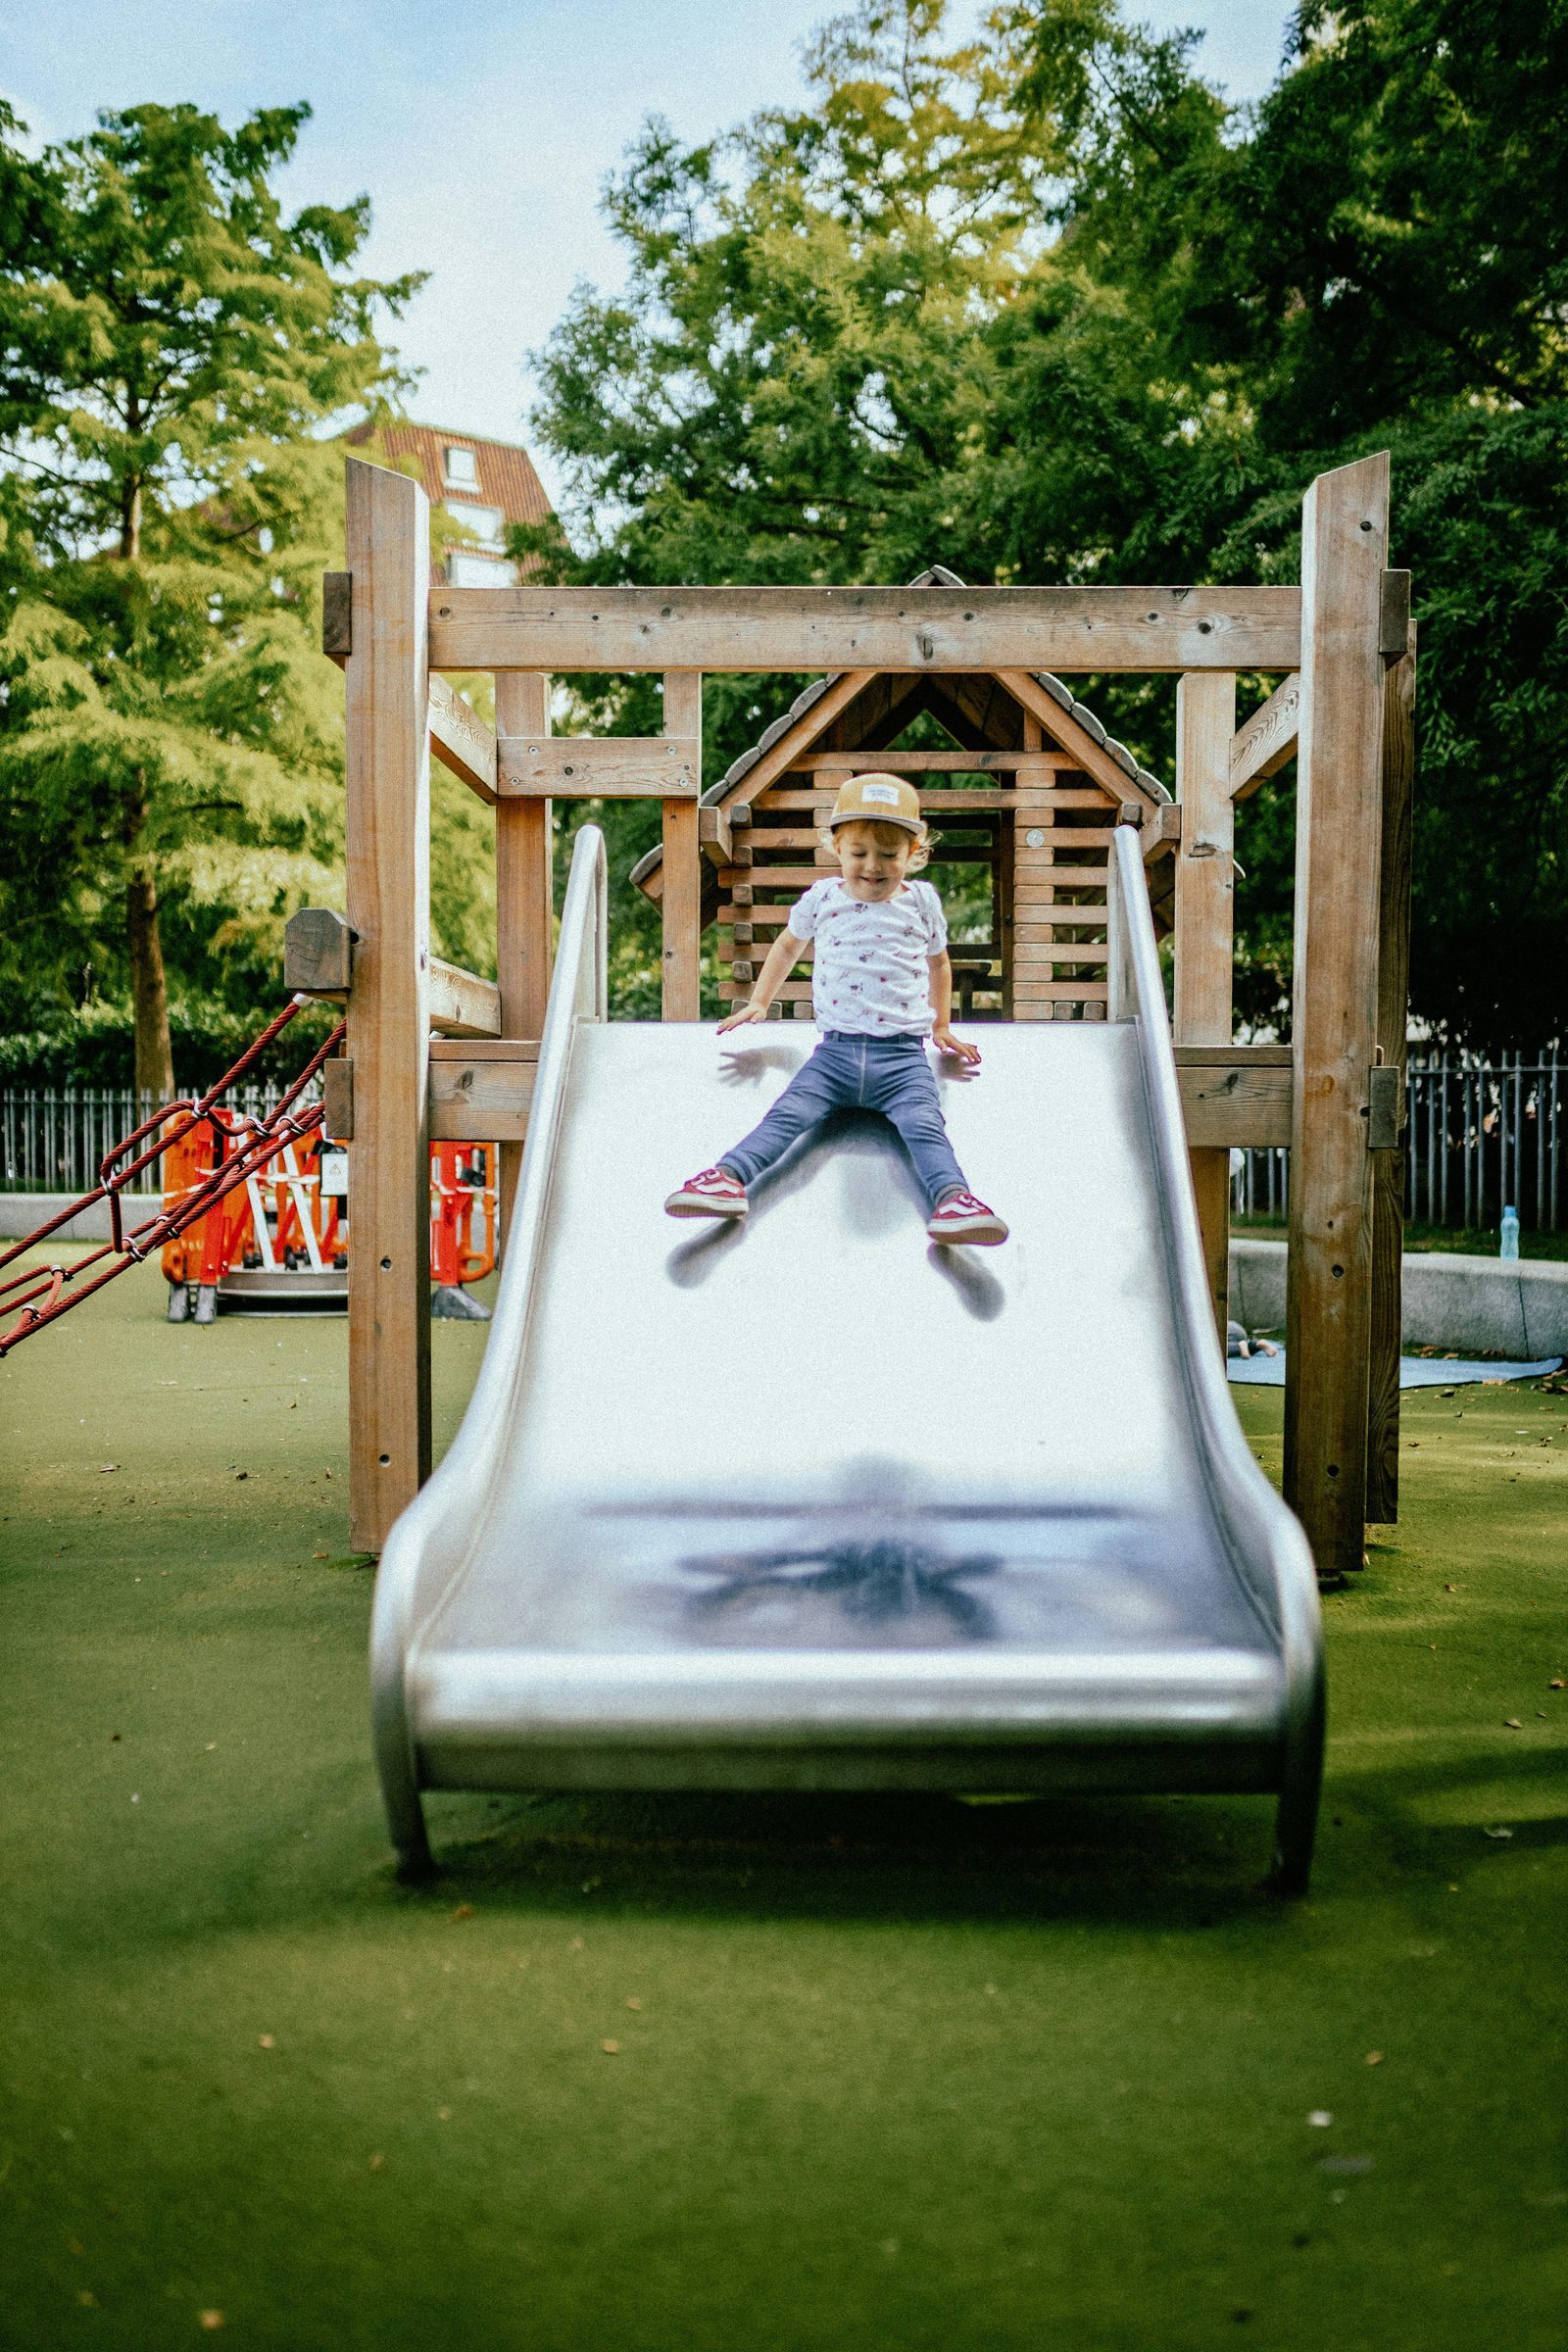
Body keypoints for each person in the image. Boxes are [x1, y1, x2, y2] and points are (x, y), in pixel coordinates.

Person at [664, 772, 1008, 1246]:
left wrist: (942, 1026)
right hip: (834, 1058)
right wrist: (760, 1000)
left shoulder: (923, 902)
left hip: (904, 1059)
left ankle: (953, 1201)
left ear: (913, 852)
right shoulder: (823, 897)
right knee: (786, 1115)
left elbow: (939, 964)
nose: (873, 866)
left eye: (889, 854)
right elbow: (787, 947)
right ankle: (729, 1178)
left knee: (925, 1126)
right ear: (837, 848)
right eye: (859, 853)